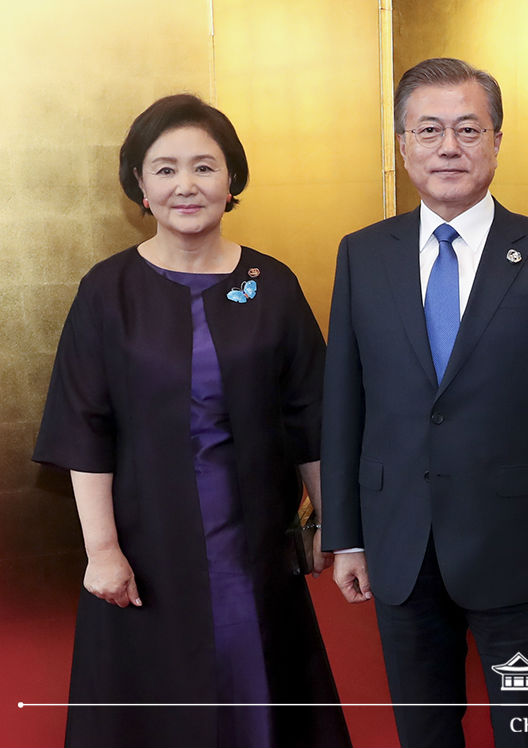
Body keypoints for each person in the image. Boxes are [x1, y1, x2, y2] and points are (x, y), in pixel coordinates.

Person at [33, 94, 350, 748]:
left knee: (261, 679)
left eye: (205, 167)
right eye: (166, 169)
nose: (187, 185)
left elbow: (312, 416)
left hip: (257, 544)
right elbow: (83, 426)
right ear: (140, 186)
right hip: (146, 549)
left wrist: (328, 521)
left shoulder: (274, 284)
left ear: (231, 180)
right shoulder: (107, 292)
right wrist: (103, 551)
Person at [321, 57, 528, 748]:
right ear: (402, 144)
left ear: (498, 141)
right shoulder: (363, 255)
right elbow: (344, 404)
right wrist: (347, 536)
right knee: (423, 734)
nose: (449, 147)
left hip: (520, 549)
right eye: (429, 129)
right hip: (399, 542)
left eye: (469, 129)